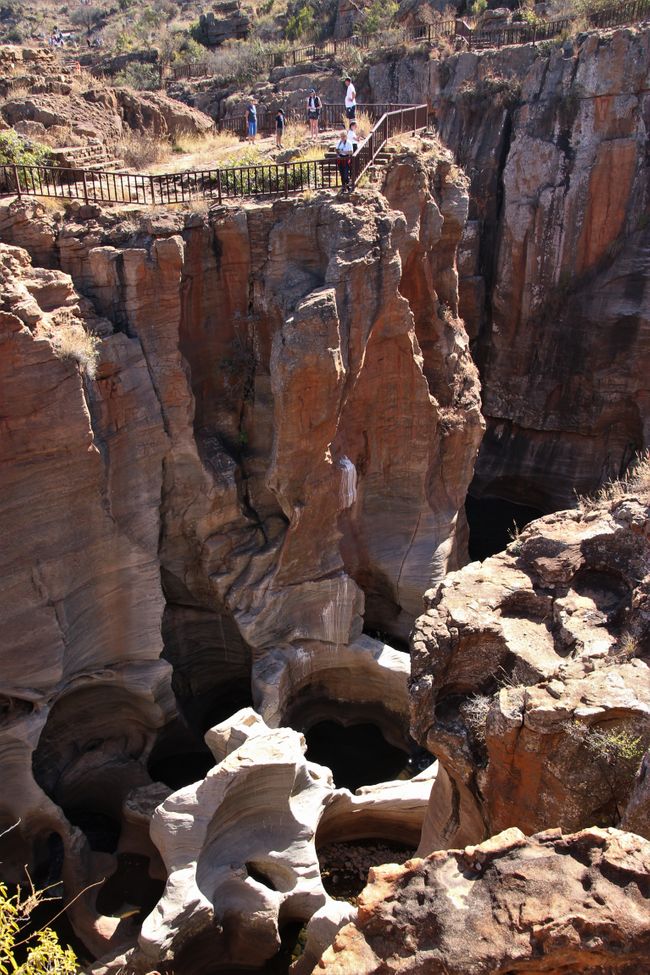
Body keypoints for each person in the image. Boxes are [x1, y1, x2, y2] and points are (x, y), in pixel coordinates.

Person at [336, 128, 354, 193]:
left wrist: (343, 151)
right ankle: (344, 187)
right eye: (341, 136)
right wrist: (338, 152)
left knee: (345, 174)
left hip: (346, 159)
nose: (342, 138)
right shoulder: (339, 142)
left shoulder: (349, 143)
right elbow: (336, 150)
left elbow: (351, 152)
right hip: (340, 159)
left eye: (343, 136)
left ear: (346, 136)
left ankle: (348, 186)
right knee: (342, 174)